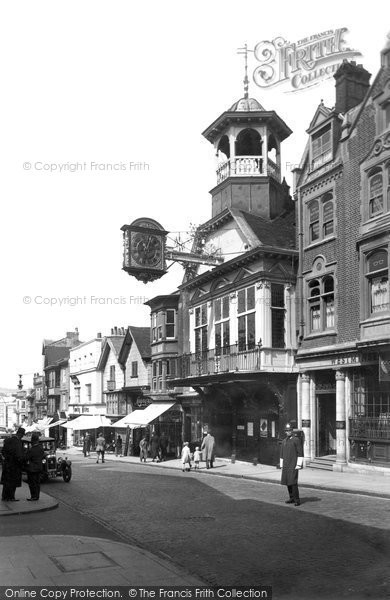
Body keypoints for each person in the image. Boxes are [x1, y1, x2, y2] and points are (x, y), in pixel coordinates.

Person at [280, 423, 303, 507]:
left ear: (292, 431)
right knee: (287, 482)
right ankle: (291, 498)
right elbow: (282, 454)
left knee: (293, 483)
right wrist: (281, 464)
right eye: (286, 431)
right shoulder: (284, 441)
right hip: (286, 465)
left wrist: (299, 465)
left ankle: (297, 499)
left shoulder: (296, 440)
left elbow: (300, 453)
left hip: (293, 465)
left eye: (289, 430)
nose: (288, 432)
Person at [1, 426, 25, 501]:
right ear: (20, 434)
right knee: (13, 482)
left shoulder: (8, 440)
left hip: (7, 464)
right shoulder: (17, 442)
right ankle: (11, 497)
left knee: (6, 482)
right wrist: (21, 462)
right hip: (14, 466)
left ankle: (5, 496)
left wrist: (7, 459)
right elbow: (18, 455)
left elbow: (3, 452)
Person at [25, 432, 45, 501]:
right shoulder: (41, 448)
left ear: (32, 441)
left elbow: (26, 458)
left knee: (32, 483)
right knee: (37, 483)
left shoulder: (31, 450)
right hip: (39, 468)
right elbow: (43, 456)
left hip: (32, 469)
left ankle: (33, 496)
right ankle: (37, 496)